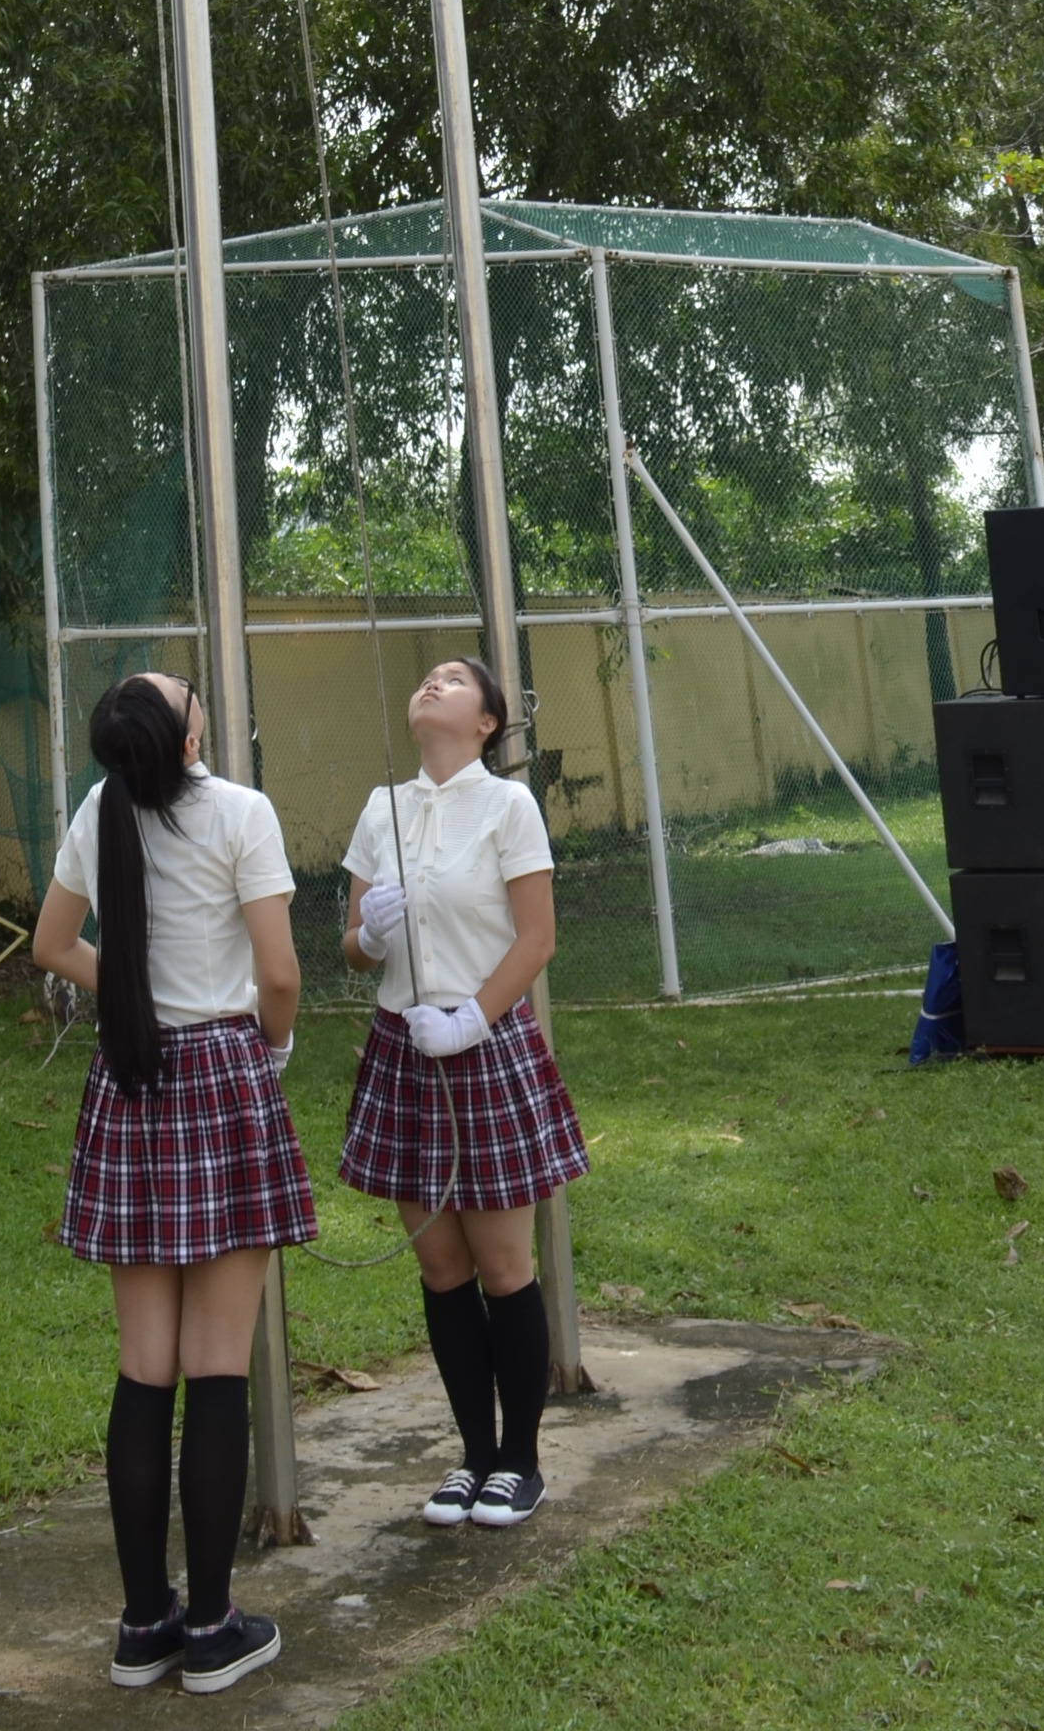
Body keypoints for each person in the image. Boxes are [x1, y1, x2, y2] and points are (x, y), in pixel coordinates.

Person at [31, 670, 315, 1696]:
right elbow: (279, 976)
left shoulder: (99, 809)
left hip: (132, 1078)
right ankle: (212, 1627)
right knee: (217, 1364)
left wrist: (139, 995)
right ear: (189, 728)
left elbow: (52, 944)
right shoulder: (242, 811)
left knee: (145, 1363)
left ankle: (142, 1625)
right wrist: (267, 1049)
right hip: (223, 1074)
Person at [339, 654, 587, 1531]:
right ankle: (473, 1456)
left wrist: (475, 1017)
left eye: (454, 678)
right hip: (405, 1045)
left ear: (487, 721)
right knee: (441, 1267)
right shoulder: (385, 809)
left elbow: (537, 936)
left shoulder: (508, 805)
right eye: (427, 675)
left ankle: (519, 1462)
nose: (432, 681)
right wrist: (370, 933)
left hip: (480, 1043)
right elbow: (354, 948)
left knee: (502, 1266)